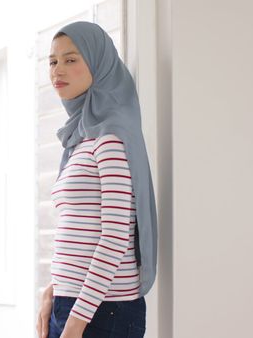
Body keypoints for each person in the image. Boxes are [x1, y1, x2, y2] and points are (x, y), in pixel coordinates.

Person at [36, 21, 158, 338]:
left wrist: (75, 323)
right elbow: (81, 229)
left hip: (102, 312)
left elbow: (115, 237)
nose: (57, 70)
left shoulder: (111, 139)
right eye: (53, 61)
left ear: (99, 64)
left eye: (71, 59)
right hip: (73, 304)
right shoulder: (81, 141)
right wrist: (54, 290)